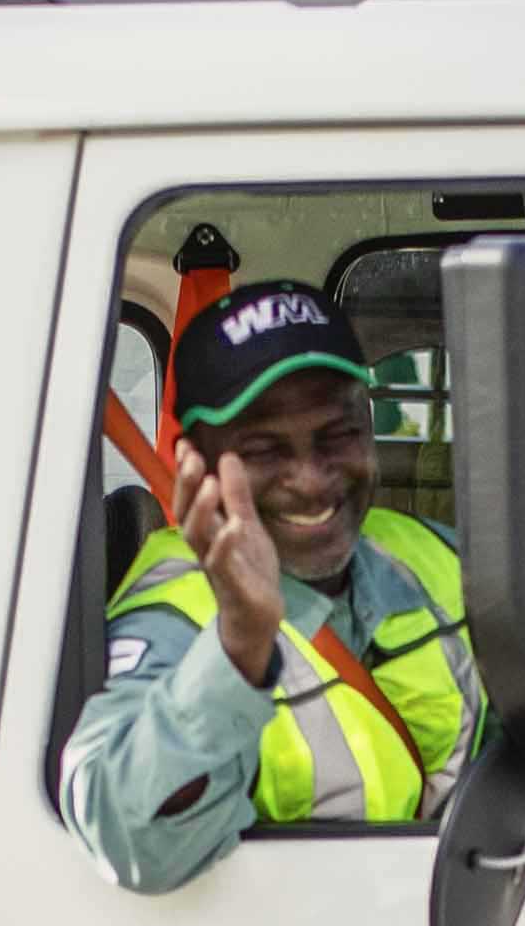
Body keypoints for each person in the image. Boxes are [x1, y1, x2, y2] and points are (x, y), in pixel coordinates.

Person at [60, 272, 477, 890]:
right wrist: (239, 645)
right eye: (262, 449)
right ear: (192, 467)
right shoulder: (168, 619)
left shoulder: (425, 556)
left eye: (337, 436)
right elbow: (129, 838)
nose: (311, 479)